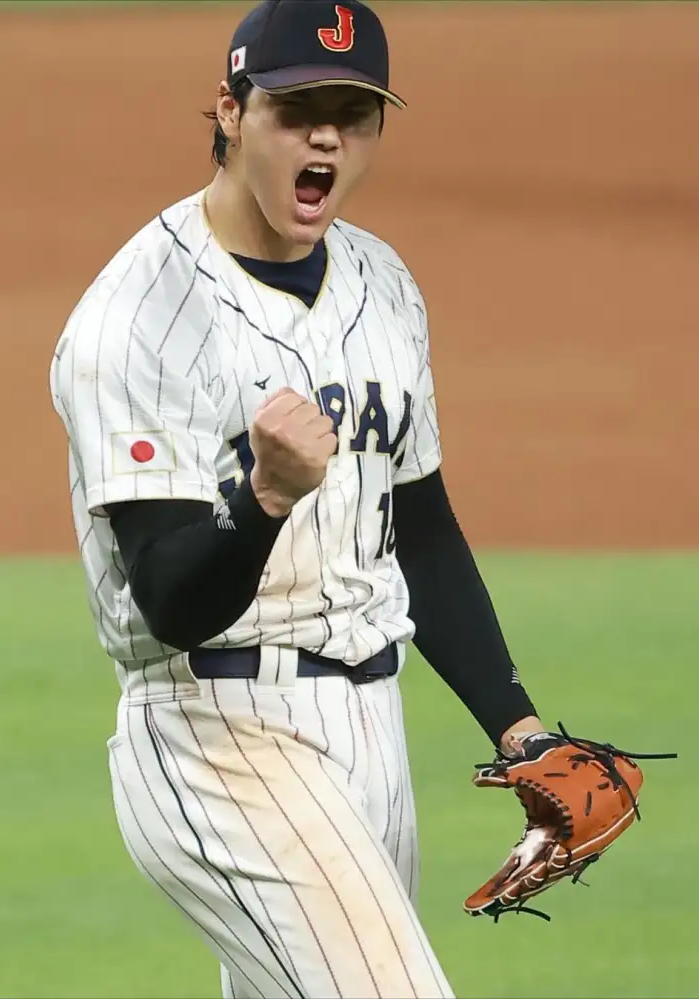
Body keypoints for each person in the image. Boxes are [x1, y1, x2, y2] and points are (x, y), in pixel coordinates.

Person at [49, 2, 546, 996]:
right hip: (216, 731)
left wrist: (518, 728)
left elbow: (419, 528)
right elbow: (168, 597)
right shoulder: (138, 314)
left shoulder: (381, 282)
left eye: (352, 114)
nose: (325, 138)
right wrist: (264, 498)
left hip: (371, 731)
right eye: (295, 110)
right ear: (230, 112)